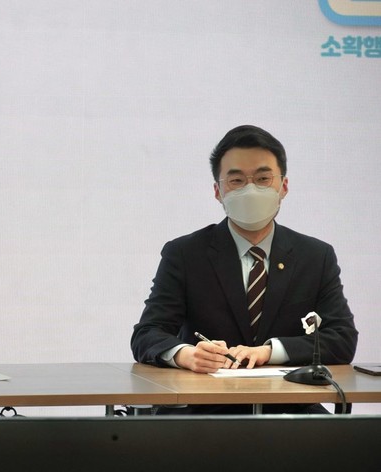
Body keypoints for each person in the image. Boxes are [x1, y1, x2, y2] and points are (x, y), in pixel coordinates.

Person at [130, 125, 358, 414]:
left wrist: (270, 351)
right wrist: (185, 355)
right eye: (237, 180)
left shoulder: (315, 256)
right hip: (202, 409)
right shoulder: (185, 253)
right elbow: (148, 333)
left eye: (263, 179)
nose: (251, 190)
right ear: (218, 191)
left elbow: (341, 338)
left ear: (284, 186)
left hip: (290, 409)